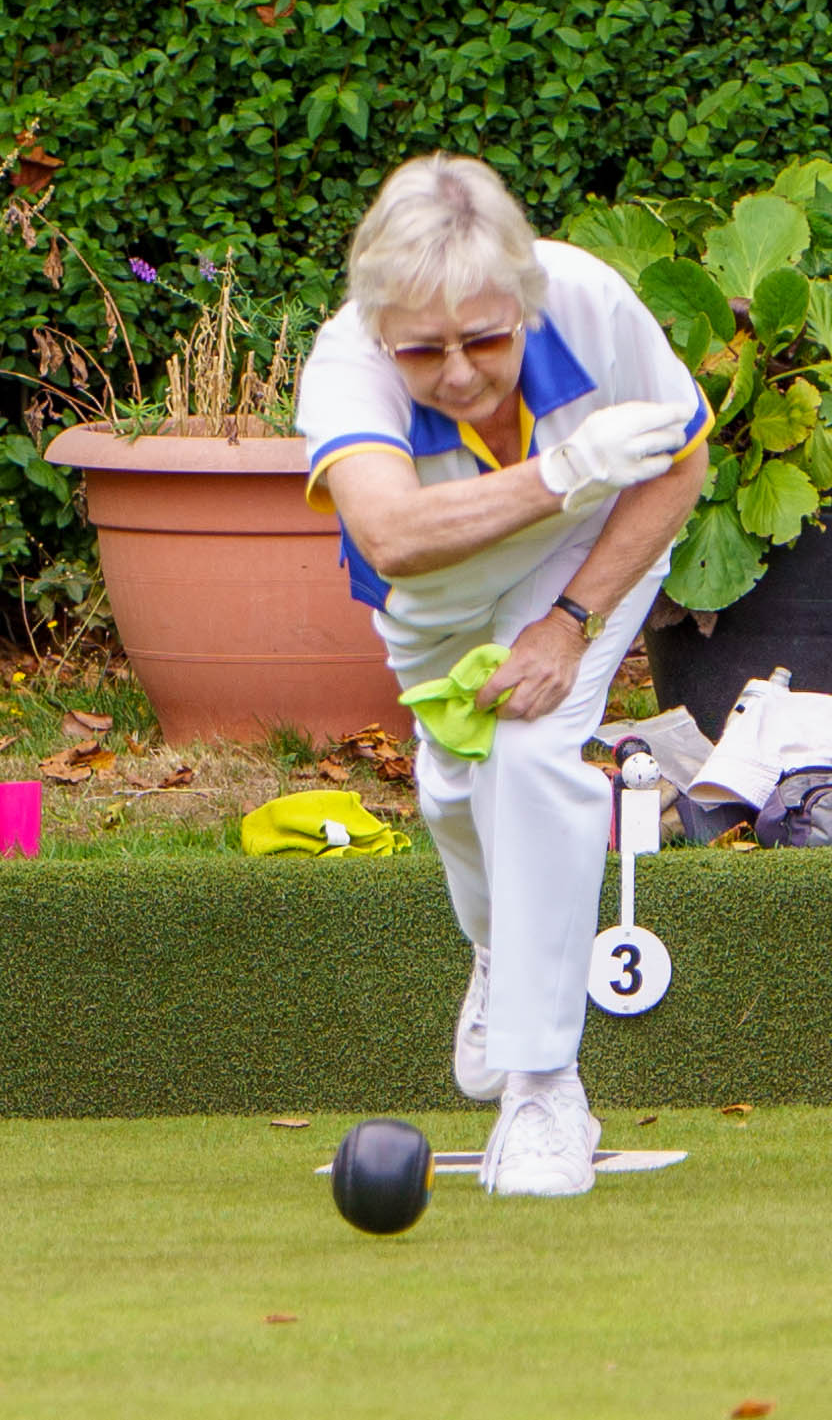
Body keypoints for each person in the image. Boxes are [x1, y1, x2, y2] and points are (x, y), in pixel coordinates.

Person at [297, 155, 708, 1196]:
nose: (462, 372)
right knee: (452, 780)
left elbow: (682, 464)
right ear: (380, 322)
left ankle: (542, 1089)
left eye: (485, 338)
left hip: (580, 561)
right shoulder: (343, 358)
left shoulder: (587, 299)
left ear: (524, 300)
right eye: (423, 350)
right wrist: (566, 467)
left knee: (529, 750)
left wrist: (568, 623)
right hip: (431, 597)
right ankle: (496, 944)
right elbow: (388, 532)